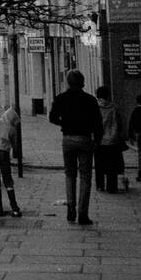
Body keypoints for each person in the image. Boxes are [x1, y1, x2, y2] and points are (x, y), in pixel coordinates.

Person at [49, 69, 102, 225]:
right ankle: (83, 213)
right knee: (85, 177)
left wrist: (64, 123)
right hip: (85, 139)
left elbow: (52, 118)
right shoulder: (90, 100)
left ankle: (70, 208)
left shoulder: (61, 98)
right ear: (83, 82)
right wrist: (97, 141)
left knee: (70, 175)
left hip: (68, 139)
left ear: (68, 82)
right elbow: (98, 123)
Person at [94, 85, 123, 194]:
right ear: (107, 95)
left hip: (99, 140)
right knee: (112, 165)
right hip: (112, 140)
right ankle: (112, 186)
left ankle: (100, 185)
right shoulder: (114, 108)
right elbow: (119, 123)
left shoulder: (95, 108)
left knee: (99, 164)